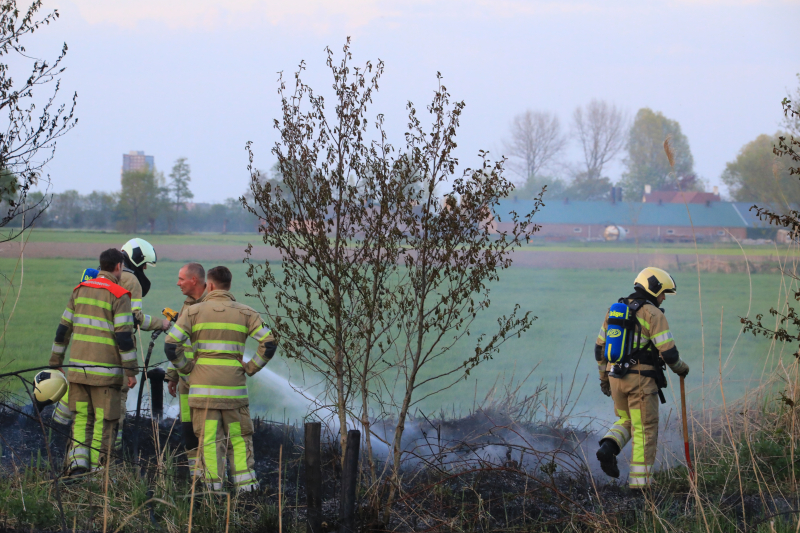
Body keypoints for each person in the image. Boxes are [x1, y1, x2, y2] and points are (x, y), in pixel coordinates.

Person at [164, 266, 276, 492]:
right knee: (239, 438)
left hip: (203, 393)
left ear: (210, 285)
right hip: (234, 394)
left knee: (209, 439)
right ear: (229, 285)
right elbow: (269, 343)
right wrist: (251, 367)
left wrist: (187, 369)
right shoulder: (247, 312)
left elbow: (171, 345)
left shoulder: (192, 312)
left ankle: (212, 489)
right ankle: (246, 489)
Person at [594, 267, 690, 489]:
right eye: (663, 293)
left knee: (626, 420)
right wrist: (681, 369)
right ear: (653, 288)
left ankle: (608, 447)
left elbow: (600, 349)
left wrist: (604, 378)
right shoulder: (653, 314)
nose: (664, 298)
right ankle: (640, 486)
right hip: (641, 382)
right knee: (645, 429)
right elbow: (669, 353)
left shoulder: (614, 311)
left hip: (616, 378)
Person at [49, 249, 138, 475]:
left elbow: (62, 330)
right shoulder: (120, 295)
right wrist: (131, 372)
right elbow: (124, 338)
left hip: (77, 372)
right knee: (104, 422)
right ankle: (99, 475)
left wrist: (55, 361)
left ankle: (77, 467)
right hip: (105, 377)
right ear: (118, 266)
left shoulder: (79, 290)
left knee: (81, 419)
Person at [116, 238, 170, 450]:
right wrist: (161, 323)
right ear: (137, 259)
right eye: (145, 264)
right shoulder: (131, 281)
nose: (145, 269)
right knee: (117, 399)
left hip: (89, 350)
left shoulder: (99, 277)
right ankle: (114, 450)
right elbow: (134, 318)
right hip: (118, 349)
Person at [165, 262, 207, 478]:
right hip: (185, 382)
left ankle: (211, 478)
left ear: (194, 280)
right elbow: (176, 344)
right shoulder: (187, 306)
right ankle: (196, 477)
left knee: (207, 431)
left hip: (206, 381)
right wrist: (172, 375)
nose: (177, 283)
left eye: (181, 279)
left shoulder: (211, 305)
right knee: (188, 430)